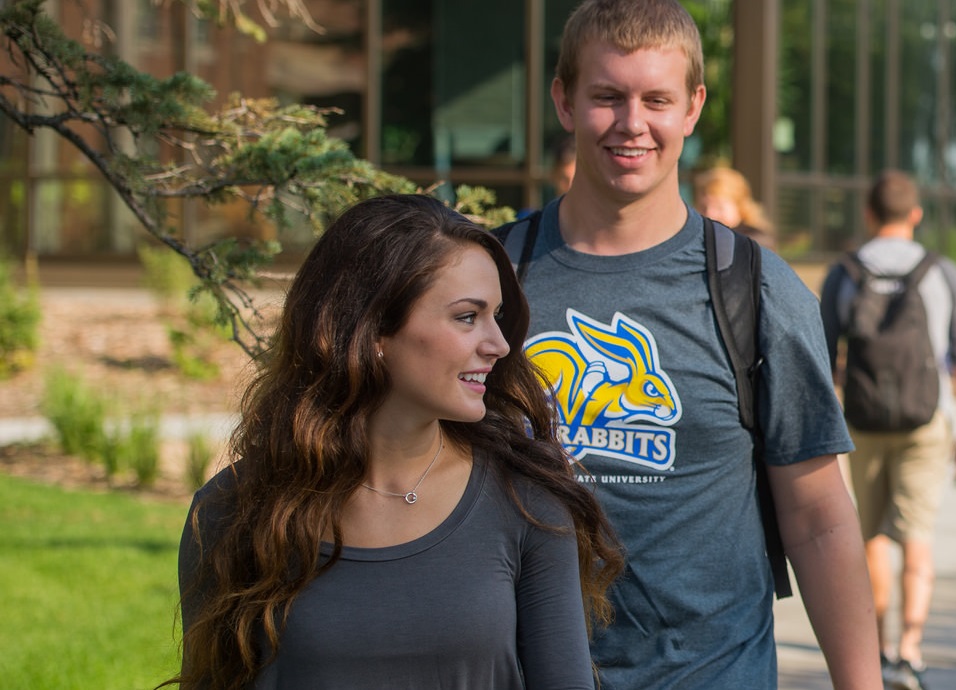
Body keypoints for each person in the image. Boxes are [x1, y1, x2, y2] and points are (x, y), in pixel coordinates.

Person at [497, 1, 882, 687]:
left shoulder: (755, 289)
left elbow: (819, 515)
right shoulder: (492, 278)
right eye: (606, 97)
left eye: (657, 99)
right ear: (563, 101)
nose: (632, 123)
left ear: (693, 107)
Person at [173, 194, 624, 689]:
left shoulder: (529, 505)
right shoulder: (231, 510)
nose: (499, 344)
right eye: (467, 316)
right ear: (371, 332)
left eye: (496, 316)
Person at [820, 170, 956, 688]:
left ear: (868, 214)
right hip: (925, 421)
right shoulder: (942, 272)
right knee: (917, 535)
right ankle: (911, 651)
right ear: (915, 215)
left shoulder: (845, 272)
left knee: (871, 536)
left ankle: (881, 646)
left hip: (862, 423)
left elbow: (821, 359)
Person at [695, 165, 777, 250]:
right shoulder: (697, 238)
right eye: (703, 207)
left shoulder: (755, 242)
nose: (709, 214)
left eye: (719, 207)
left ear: (739, 206)